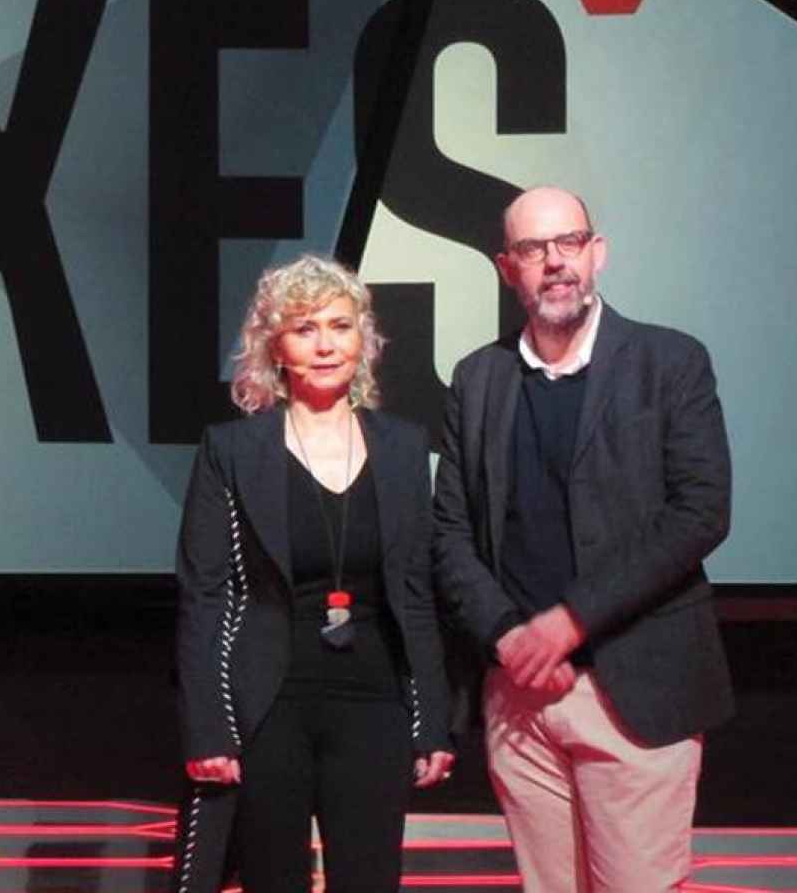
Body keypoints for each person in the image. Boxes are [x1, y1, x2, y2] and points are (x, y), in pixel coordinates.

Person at [432, 186, 735, 892]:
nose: (555, 264)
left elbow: (700, 513)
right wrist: (509, 637)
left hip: (633, 689)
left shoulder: (671, 362)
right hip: (520, 697)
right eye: (534, 250)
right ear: (508, 269)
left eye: (569, 243)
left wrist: (569, 622)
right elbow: (449, 532)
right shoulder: (478, 379)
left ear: (597, 253)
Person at [169, 254, 455, 893]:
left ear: (365, 338)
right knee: (273, 879)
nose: (326, 345)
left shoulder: (405, 446)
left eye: (340, 325)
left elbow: (415, 592)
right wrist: (207, 725)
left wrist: (431, 718)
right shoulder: (234, 451)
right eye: (305, 329)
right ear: (275, 346)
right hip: (269, 705)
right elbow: (204, 594)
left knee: (370, 879)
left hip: (374, 702)